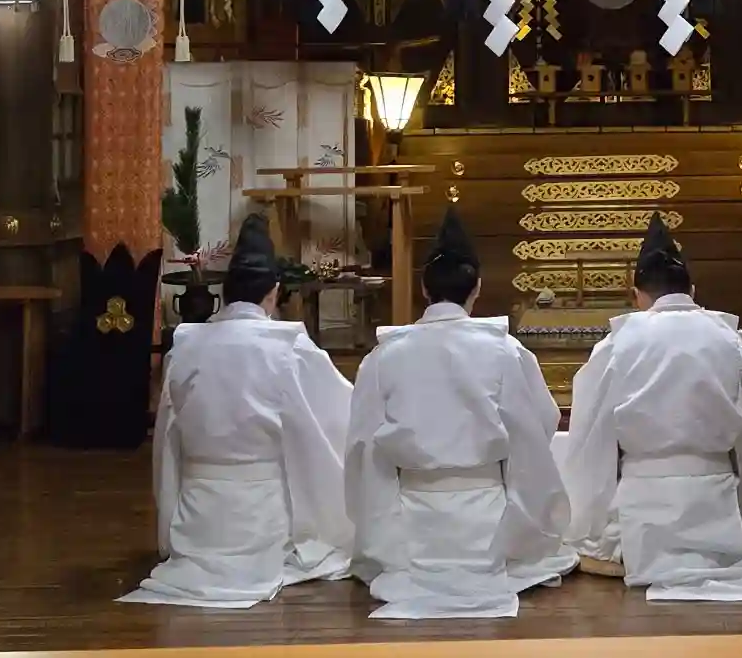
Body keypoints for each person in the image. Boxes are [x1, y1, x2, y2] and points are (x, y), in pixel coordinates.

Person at [346, 205, 575, 619]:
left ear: (424, 288)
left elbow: (363, 444)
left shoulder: (384, 356)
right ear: (477, 287)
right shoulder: (504, 350)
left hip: (412, 521)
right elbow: (540, 421)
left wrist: (377, 528)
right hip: (487, 519)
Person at [559, 214, 742, 602]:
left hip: (642, 499)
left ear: (637, 294)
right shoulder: (728, 335)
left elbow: (590, 427)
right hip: (714, 493)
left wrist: (587, 515)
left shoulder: (618, 343)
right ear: (692, 290)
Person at [121, 214, 353, 609]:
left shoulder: (185, 347)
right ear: (273, 292)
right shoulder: (289, 349)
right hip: (260, 522)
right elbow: (340, 416)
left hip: (198, 521)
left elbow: (166, 443)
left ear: (226, 293)